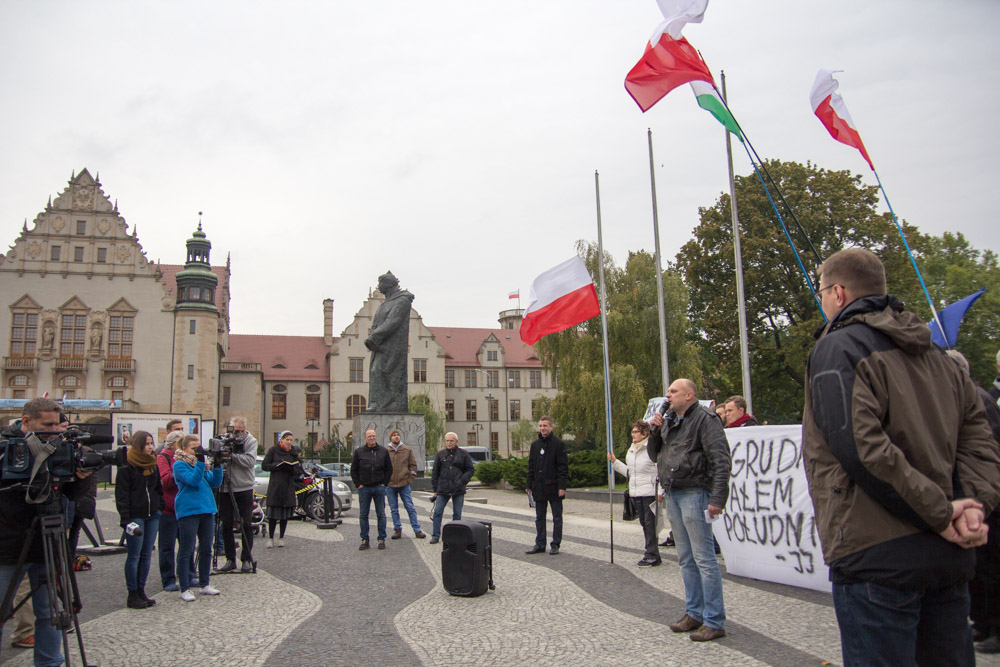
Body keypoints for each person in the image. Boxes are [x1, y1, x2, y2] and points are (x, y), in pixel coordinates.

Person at [803, 248, 1000, 666]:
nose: (823, 300)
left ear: (838, 293)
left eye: (821, 291)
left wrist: (944, 513)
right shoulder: (941, 358)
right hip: (947, 553)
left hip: (877, 554)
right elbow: (980, 441)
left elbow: (861, 448)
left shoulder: (838, 348)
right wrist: (973, 506)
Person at [0, 397, 91, 665]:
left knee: (51, 611)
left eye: (56, 425)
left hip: (48, 541)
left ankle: (50, 662)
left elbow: (71, 494)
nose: (54, 430)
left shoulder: (58, 447)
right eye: (47, 425)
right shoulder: (7, 448)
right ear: (26, 421)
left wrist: (81, 477)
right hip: (8, 544)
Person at [648, 379, 731, 642]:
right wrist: (654, 432)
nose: (668, 395)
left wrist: (717, 498)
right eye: (668, 391)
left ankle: (714, 620)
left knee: (704, 558)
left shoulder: (705, 419)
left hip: (695, 492)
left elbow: (721, 460)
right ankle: (694, 613)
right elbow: (654, 455)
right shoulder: (670, 420)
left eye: (673, 391)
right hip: (673, 492)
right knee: (685, 558)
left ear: (689, 395)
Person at [947, 349, 1000, 653]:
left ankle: (996, 627)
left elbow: (984, 452)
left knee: (991, 566)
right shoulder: (966, 399)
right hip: (975, 496)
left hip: (987, 498)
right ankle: (983, 622)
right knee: (979, 568)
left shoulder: (979, 400)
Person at [115, 431, 164, 609]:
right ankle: (132, 592)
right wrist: (125, 518)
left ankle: (141, 590)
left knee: (146, 554)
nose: (150, 447)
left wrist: (159, 506)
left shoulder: (152, 464)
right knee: (134, 555)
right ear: (139, 445)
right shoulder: (127, 466)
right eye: (147, 444)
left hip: (152, 514)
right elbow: (122, 494)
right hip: (136, 516)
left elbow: (157, 488)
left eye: (151, 443)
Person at [172, 434, 223, 602]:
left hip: (206, 508)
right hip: (189, 510)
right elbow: (192, 481)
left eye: (198, 448)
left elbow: (215, 482)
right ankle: (185, 587)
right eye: (194, 449)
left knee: (206, 548)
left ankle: (205, 583)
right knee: (187, 549)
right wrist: (201, 462)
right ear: (184, 449)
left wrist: (217, 465)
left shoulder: (200, 465)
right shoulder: (179, 465)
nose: (197, 451)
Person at [609, 420, 660, 566]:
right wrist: (615, 462)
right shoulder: (631, 450)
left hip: (649, 491)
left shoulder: (651, 448)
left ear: (644, 433)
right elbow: (630, 472)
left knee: (650, 524)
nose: (633, 434)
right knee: (644, 523)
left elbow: (660, 470)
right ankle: (652, 551)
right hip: (636, 492)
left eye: (635, 432)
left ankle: (651, 554)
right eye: (632, 432)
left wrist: (661, 490)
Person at [364, 271, 415, 412]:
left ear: (387, 284)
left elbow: (393, 321)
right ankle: (378, 403)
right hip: (380, 346)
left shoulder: (402, 300)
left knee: (383, 372)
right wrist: (372, 336)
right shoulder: (384, 304)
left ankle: (388, 404)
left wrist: (374, 336)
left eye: (380, 283)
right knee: (375, 372)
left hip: (393, 346)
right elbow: (376, 323)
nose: (378, 287)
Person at [217, 417, 258, 572]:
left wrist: (231, 455)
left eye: (241, 431)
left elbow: (249, 461)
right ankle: (230, 559)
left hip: (244, 487)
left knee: (246, 524)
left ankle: (246, 559)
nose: (238, 435)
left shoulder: (251, 441)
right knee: (226, 524)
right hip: (225, 488)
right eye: (235, 431)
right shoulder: (225, 440)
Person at [525, 417, 569, 555]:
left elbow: (563, 467)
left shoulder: (558, 444)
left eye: (545, 426)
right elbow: (531, 466)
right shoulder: (535, 445)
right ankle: (540, 543)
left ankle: (555, 544)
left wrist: (562, 486)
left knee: (557, 518)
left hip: (554, 487)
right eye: (540, 426)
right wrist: (529, 484)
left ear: (551, 426)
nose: (542, 428)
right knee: (539, 518)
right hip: (539, 487)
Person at [157, 430, 193, 591]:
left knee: (188, 545)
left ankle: (188, 575)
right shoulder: (163, 457)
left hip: (184, 508)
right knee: (167, 546)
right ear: (172, 445)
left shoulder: (186, 458)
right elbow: (164, 480)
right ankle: (168, 579)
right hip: (169, 509)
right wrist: (178, 470)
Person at [429, 432, 476, 545]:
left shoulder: (463, 454)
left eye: (451, 441)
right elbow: (435, 472)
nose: (449, 443)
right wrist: (435, 489)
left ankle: (456, 536)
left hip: (458, 488)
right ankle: (435, 535)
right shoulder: (440, 454)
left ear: (456, 442)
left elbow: (470, 470)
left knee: (457, 514)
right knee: (437, 512)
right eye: (447, 441)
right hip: (443, 488)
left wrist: (462, 481)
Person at [351, 429, 393, 550]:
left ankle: (381, 539)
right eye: (369, 436)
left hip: (379, 487)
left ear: (376, 437)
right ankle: (365, 539)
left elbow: (389, 469)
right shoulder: (359, 452)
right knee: (363, 515)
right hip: (364, 488)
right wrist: (358, 484)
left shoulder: (383, 451)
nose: (371, 438)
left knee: (381, 514)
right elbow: (353, 470)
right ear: (365, 438)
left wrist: (384, 483)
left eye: (373, 436)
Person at [261, 431, 301, 549]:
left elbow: (298, 469)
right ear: (282, 439)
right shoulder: (273, 450)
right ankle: (270, 538)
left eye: (291, 440)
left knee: (285, 515)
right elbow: (265, 465)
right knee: (273, 515)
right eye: (287, 439)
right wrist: (277, 466)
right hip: (276, 486)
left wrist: (292, 468)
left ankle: (281, 537)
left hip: (288, 486)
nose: (289, 442)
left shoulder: (293, 452)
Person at [385, 430, 426, 540]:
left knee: (410, 507)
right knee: (394, 509)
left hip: (404, 484)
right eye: (394, 435)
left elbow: (413, 465)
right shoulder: (386, 451)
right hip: (390, 484)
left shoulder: (407, 450)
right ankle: (397, 529)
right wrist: (385, 480)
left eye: (398, 435)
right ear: (390, 438)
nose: (396, 437)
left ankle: (417, 530)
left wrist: (410, 479)